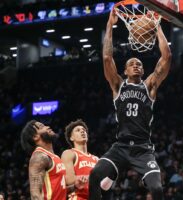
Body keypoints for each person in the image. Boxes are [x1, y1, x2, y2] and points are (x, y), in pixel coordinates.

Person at [88, 9, 171, 200]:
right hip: (121, 146)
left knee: (157, 190)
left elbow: (166, 57)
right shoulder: (118, 85)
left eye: (140, 64)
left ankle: (117, 174)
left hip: (143, 149)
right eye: (132, 64)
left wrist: (157, 25)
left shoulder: (149, 85)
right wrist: (109, 25)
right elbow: (107, 58)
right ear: (124, 71)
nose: (136, 65)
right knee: (94, 175)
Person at [61, 119, 113, 200]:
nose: (82, 132)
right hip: (77, 197)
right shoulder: (69, 153)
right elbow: (69, 179)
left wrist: (112, 175)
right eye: (78, 130)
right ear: (71, 138)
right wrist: (93, 178)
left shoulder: (96, 159)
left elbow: (103, 186)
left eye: (84, 130)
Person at [20, 120, 67, 200]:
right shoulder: (39, 157)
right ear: (35, 137)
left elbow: (59, 189)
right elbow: (35, 195)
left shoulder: (54, 157)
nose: (48, 127)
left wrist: (76, 185)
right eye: (42, 126)